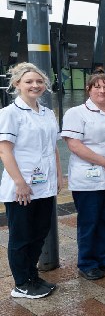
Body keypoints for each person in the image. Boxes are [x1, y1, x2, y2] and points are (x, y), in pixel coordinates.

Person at [0, 63, 64, 298]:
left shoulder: (47, 113)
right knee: (21, 236)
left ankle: (32, 276)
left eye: (39, 82)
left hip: (44, 185)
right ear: (17, 84)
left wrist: (58, 174)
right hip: (22, 187)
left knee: (39, 233)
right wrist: (20, 182)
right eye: (29, 81)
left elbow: (53, 148)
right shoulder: (10, 114)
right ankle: (21, 283)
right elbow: (4, 151)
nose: (35, 85)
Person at [62, 73, 105, 281]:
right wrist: (103, 162)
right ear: (88, 89)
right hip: (88, 177)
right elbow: (74, 144)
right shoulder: (77, 113)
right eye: (97, 87)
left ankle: (104, 258)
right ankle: (87, 263)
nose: (102, 91)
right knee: (89, 221)